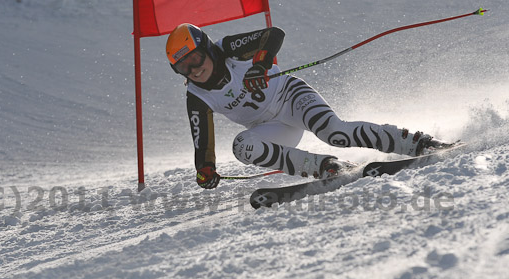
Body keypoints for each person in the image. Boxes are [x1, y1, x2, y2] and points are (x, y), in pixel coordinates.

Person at [165, 23, 452, 189]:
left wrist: (260, 65)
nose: (193, 70)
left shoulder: (227, 48)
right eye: (183, 68)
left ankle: (418, 143)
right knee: (242, 147)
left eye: (196, 59)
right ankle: (326, 167)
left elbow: (273, 35)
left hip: (291, 97)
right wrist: (205, 169)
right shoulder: (196, 96)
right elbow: (201, 140)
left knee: (335, 134)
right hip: (270, 128)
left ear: (207, 49)